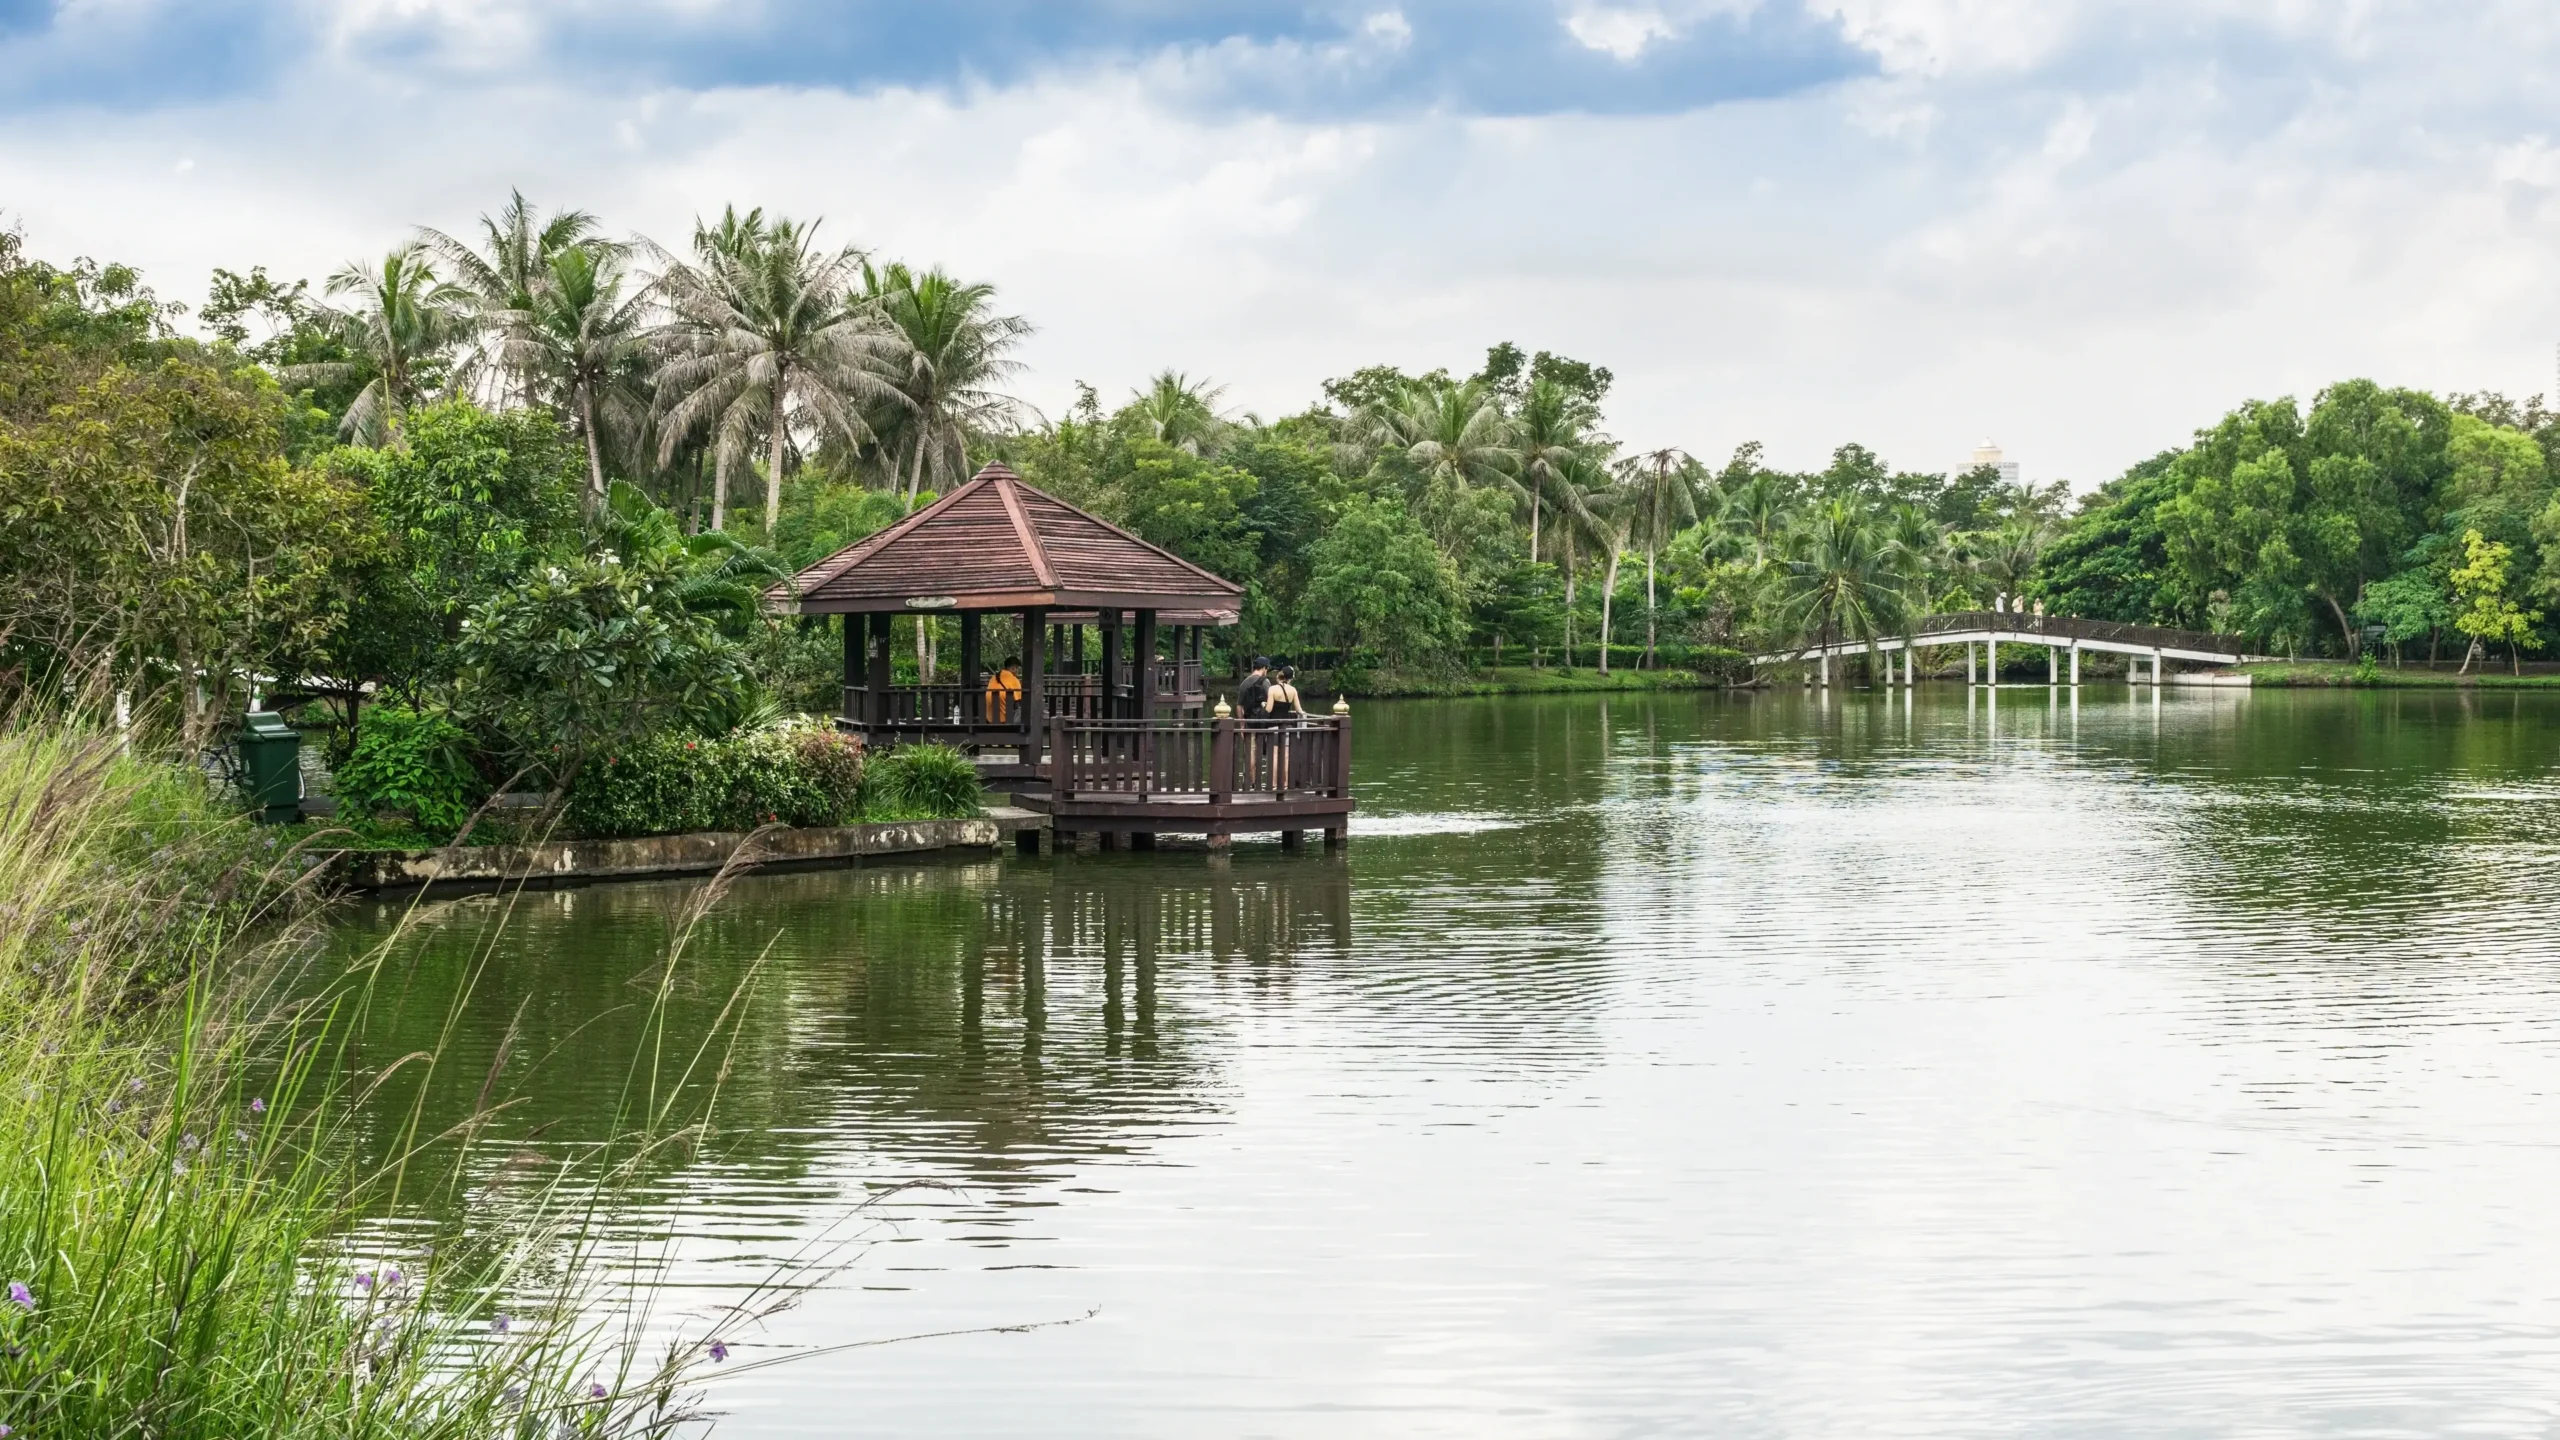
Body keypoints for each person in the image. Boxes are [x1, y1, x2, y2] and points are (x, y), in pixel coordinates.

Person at [983, 656, 1022, 723]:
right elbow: (1019, 700)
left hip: (990, 719)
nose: (1017, 671)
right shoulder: (1013, 679)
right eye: (1017, 668)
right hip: (1004, 720)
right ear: (1013, 668)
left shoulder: (994, 677)